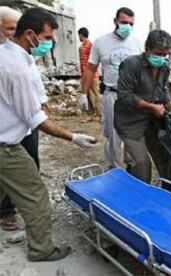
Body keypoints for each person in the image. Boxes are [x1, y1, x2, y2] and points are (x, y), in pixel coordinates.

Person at [0, 7, 96, 262]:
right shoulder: (15, 67)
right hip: (6, 145)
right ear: (29, 35)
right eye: (47, 38)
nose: (51, 43)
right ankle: (41, 249)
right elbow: (35, 119)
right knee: (36, 196)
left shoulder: (8, 55)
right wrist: (73, 136)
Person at [114, 30, 171, 192]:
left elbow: (163, 91)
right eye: (158, 53)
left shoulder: (164, 67)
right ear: (147, 48)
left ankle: (169, 196)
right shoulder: (131, 65)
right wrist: (151, 106)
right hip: (130, 122)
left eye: (165, 54)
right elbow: (124, 96)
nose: (162, 58)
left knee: (166, 158)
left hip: (153, 121)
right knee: (141, 164)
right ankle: (138, 198)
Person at [81, 7, 143, 169]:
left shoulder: (136, 43)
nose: (127, 26)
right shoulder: (101, 42)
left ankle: (132, 168)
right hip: (112, 96)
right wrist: (83, 93)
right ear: (115, 21)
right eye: (124, 22)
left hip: (132, 96)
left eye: (131, 24)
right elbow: (91, 69)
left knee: (132, 134)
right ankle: (114, 168)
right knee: (113, 136)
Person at [0, 5, 22, 232]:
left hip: (22, 125)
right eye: (10, 28)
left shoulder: (19, 52)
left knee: (27, 164)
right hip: (6, 131)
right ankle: (6, 210)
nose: (13, 34)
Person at [78, 27, 102, 119]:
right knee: (87, 94)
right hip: (84, 74)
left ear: (81, 35)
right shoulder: (81, 47)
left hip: (92, 74)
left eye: (79, 35)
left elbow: (94, 61)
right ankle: (91, 113)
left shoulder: (90, 45)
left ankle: (99, 114)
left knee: (95, 94)